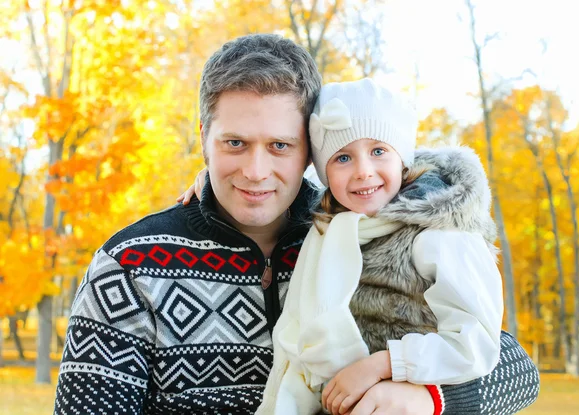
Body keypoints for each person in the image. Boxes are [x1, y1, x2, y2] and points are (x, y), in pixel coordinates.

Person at [55, 34, 539, 415]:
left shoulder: (355, 228)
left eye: (280, 146)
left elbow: (516, 371)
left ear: (311, 149)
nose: (256, 171)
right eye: (235, 143)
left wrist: (428, 400)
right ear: (204, 138)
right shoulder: (130, 266)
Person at [250, 78, 502, 415]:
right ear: (324, 173)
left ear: (402, 157)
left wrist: (385, 365)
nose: (363, 172)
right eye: (342, 158)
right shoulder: (329, 232)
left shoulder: (439, 232)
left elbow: (477, 344)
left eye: (378, 151)